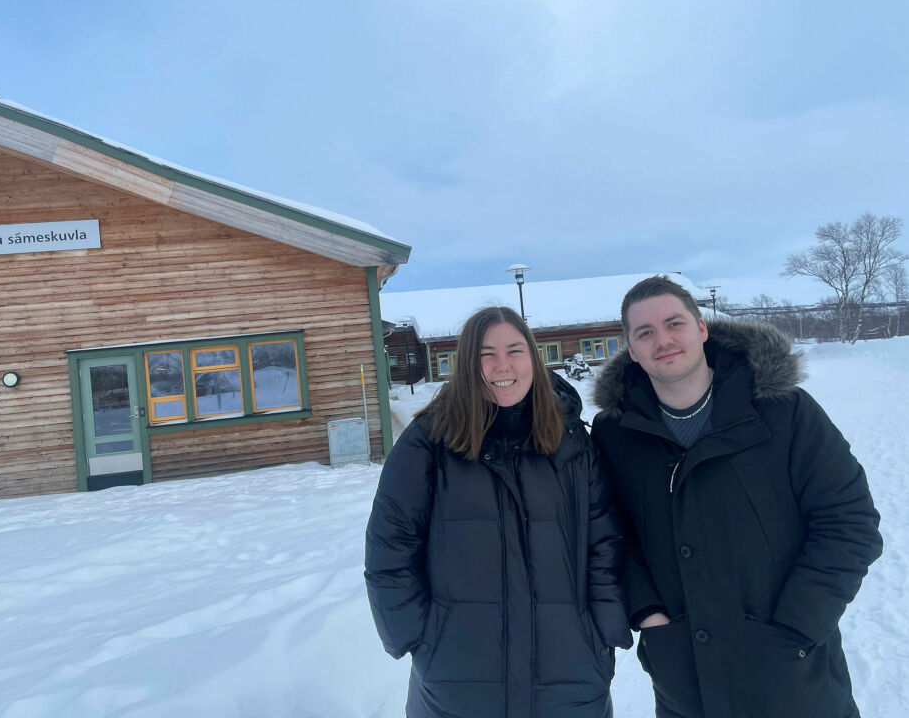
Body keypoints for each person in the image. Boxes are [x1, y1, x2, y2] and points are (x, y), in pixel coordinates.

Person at [590, 275, 883, 718]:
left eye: (675, 324)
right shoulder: (617, 433)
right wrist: (650, 616)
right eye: (644, 333)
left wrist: (799, 625)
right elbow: (615, 536)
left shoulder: (784, 410)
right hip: (685, 679)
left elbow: (850, 520)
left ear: (702, 328)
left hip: (793, 672)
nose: (663, 340)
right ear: (631, 349)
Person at [365, 306, 632, 718]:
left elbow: (605, 544)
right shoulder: (430, 442)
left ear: (534, 358)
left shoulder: (573, 441)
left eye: (515, 350)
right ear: (468, 364)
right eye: (486, 354)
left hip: (571, 672)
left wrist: (601, 633)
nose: (501, 366)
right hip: (458, 677)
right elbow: (390, 548)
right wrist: (421, 640)